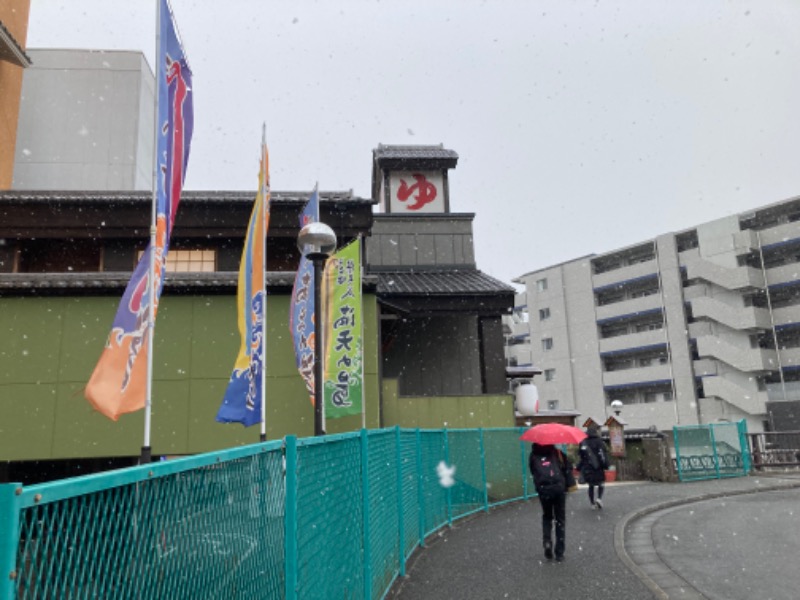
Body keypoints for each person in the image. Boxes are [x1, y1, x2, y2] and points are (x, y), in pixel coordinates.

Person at [529, 443, 574, 562]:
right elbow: (567, 469)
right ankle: (559, 553)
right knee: (560, 520)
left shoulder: (533, 455)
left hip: (544, 490)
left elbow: (533, 472)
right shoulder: (558, 453)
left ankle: (547, 542)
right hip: (558, 489)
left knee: (547, 517)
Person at [578, 424, 611, 509]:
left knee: (591, 485)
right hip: (598, 467)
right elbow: (603, 455)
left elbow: (581, 456)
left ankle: (592, 503)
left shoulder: (583, 442)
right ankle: (599, 498)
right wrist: (606, 465)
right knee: (601, 483)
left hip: (587, 467)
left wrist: (580, 466)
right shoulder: (599, 442)